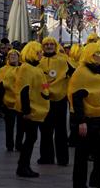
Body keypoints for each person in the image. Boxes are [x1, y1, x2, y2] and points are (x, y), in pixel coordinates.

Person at [68, 43, 100, 188]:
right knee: (82, 154)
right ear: (89, 55)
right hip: (87, 119)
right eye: (97, 54)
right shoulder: (80, 72)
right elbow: (76, 98)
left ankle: (97, 181)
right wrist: (81, 121)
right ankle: (79, 184)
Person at [15, 41, 50, 178]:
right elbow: (24, 90)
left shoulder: (36, 68)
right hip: (29, 111)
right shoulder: (26, 68)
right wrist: (26, 111)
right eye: (39, 52)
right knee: (30, 138)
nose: (41, 54)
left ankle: (24, 165)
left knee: (31, 138)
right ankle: (23, 166)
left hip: (36, 110)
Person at [38, 37, 73, 166]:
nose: (49, 46)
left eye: (51, 44)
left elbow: (74, 73)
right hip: (44, 99)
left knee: (61, 130)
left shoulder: (64, 59)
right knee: (45, 130)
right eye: (46, 44)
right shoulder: (39, 60)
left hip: (60, 99)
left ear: (56, 45)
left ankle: (62, 159)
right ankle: (46, 157)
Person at [0, 49, 24, 151]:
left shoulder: (23, 69)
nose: (12, 56)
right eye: (10, 55)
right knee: (9, 125)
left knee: (21, 125)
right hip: (8, 101)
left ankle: (19, 144)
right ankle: (9, 145)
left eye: (15, 55)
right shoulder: (3, 69)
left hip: (21, 101)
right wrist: (0, 102)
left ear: (18, 56)